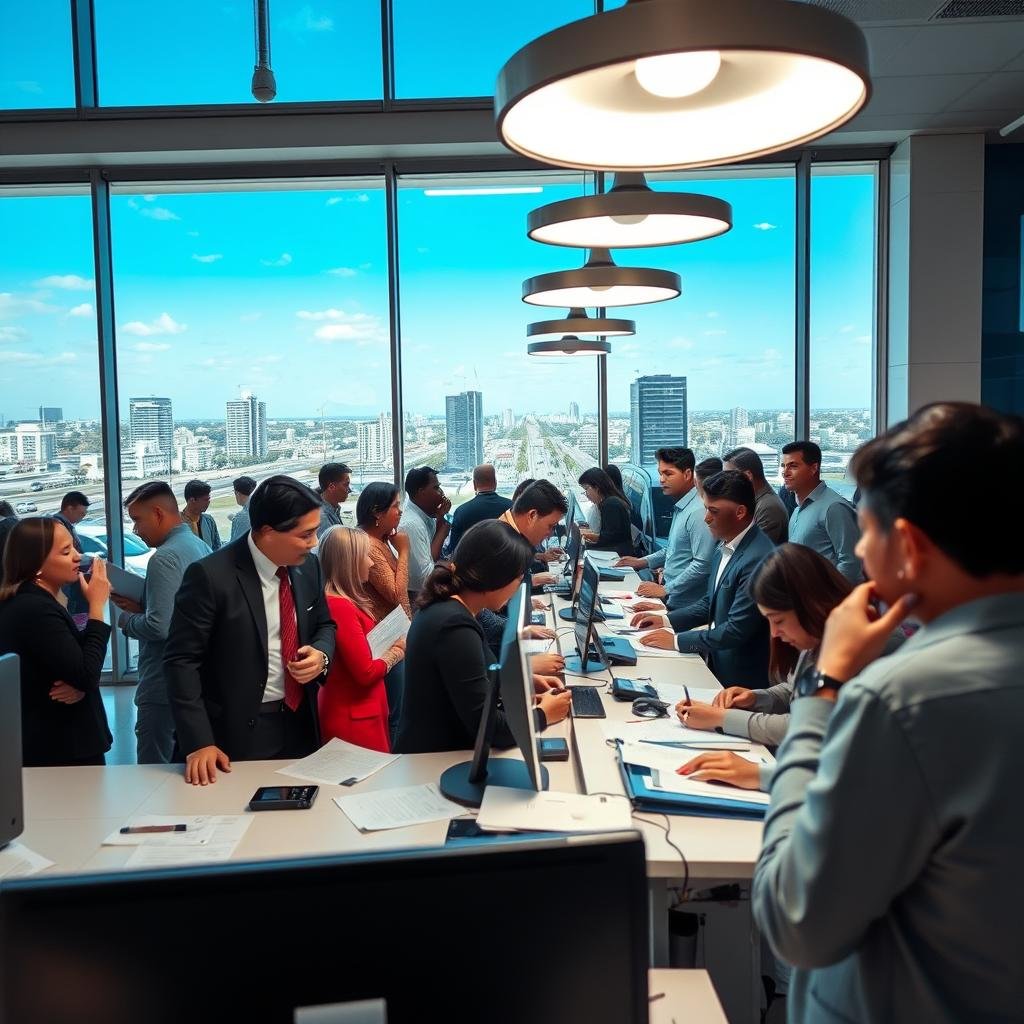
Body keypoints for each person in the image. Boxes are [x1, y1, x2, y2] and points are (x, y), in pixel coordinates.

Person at [752, 402, 1024, 1024]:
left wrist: (825, 688)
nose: (859, 556)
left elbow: (796, 919)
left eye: (868, 534)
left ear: (906, 546)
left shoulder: (903, 698)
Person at [165, 476, 337, 784]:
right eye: (306, 534)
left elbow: (324, 623)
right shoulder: (210, 576)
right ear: (268, 532)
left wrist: (321, 654)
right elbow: (181, 662)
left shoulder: (308, 567)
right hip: (234, 733)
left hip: (301, 722)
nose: (314, 543)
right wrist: (199, 741)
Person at [674, 544, 856, 790]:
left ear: (809, 604)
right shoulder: (818, 635)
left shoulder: (859, 649)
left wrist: (723, 718)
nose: (775, 633)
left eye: (778, 621)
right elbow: (794, 690)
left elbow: (806, 724)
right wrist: (756, 698)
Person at [394, 520, 571, 754]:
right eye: (518, 578)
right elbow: (489, 728)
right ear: (496, 578)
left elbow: (473, 678)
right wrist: (543, 715)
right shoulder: (454, 627)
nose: (518, 587)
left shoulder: (454, 608)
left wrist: (521, 681)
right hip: (433, 762)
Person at [632, 471, 774, 688]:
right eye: (706, 508)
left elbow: (736, 630)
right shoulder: (724, 546)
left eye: (713, 511)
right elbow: (710, 602)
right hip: (718, 663)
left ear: (740, 512)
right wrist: (666, 620)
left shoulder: (758, 558)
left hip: (742, 677)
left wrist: (677, 641)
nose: (706, 518)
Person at [0, 518, 112, 766]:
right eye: (66, 551)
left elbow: (74, 664)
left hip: (57, 745)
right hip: (60, 748)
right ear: (36, 564)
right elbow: (86, 673)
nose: (77, 556)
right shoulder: (34, 608)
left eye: (74, 547)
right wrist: (96, 605)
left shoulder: (37, 600)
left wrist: (80, 682)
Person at [112, 482, 210, 764]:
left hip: (162, 684)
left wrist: (127, 620)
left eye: (137, 520)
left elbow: (159, 627)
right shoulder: (197, 544)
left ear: (157, 513)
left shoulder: (164, 558)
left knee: (152, 772)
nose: (135, 530)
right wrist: (145, 603)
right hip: (191, 680)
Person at [318, 526, 405, 753]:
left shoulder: (342, 600)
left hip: (361, 713)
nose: (371, 563)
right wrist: (396, 651)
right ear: (349, 562)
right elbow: (364, 672)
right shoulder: (339, 605)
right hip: (355, 718)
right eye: (365, 556)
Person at [616, 447, 714, 610]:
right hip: (672, 597)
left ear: (688, 474)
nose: (662, 479)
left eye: (668, 474)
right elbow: (673, 549)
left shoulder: (698, 512)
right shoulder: (682, 506)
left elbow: (702, 564)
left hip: (685, 606)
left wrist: (665, 589)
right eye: (660, 473)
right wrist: (643, 561)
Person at [356, 481, 411, 740]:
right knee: (395, 713)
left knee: (398, 708)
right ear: (377, 512)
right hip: (385, 640)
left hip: (393, 635)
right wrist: (404, 551)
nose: (399, 512)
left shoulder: (379, 540)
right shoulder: (368, 545)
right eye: (395, 506)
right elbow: (396, 593)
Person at [781, 441, 862, 583]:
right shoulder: (797, 509)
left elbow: (851, 562)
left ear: (813, 468)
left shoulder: (834, 507)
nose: (785, 472)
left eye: (793, 466)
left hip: (827, 602)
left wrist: (830, 599)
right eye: (783, 466)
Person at [398, 466, 451, 600]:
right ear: (421, 492)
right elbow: (425, 577)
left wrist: (440, 520)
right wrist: (441, 532)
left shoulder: (426, 516)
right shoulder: (411, 524)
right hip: (419, 598)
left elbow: (433, 553)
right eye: (436, 488)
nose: (441, 493)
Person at [723, 447, 789, 544]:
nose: (725, 481)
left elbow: (752, 551)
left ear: (747, 476)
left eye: (728, 476)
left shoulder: (768, 507)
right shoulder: (753, 500)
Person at [446, 464, 511, 553]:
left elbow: (453, 547)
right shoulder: (512, 507)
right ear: (495, 482)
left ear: (474, 484)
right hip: (507, 564)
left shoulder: (461, 511)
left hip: (470, 565)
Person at [578, 467, 633, 556]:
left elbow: (609, 541)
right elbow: (609, 536)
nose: (586, 495)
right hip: (616, 552)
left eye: (586, 489)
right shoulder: (609, 501)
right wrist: (589, 537)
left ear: (597, 486)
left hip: (619, 556)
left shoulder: (611, 504)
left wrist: (585, 546)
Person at [53, 490, 91, 616]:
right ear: (69, 508)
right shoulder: (59, 527)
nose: (82, 517)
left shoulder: (65, 525)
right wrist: (90, 560)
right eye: (81, 513)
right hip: (67, 582)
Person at [181, 478, 221, 551]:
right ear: (192, 500)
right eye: (206, 500)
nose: (208, 502)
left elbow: (217, 548)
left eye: (209, 499)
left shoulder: (209, 521)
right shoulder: (177, 524)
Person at [316, 462, 352, 539]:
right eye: (346, 484)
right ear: (331, 487)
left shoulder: (333, 509)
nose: (349, 490)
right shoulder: (321, 517)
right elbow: (330, 549)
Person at [229, 475, 257, 541]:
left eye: (234, 492)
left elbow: (234, 543)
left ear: (237, 493)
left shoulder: (241, 517)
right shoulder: (262, 505)